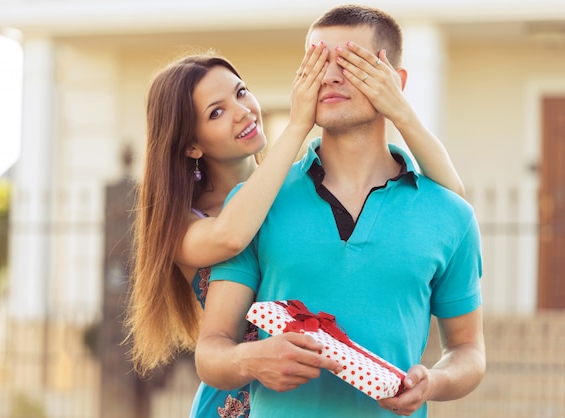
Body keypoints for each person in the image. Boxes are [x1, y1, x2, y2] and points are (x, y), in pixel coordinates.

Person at [126, 22, 467, 418]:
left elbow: (451, 204)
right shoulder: (187, 225)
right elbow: (234, 234)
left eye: (241, 93)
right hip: (239, 397)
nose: (242, 113)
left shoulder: (286, 192)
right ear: (191, 144)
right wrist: (298, 123)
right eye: (217, 112)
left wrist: (398, 109)